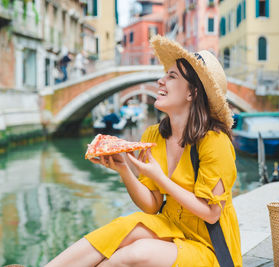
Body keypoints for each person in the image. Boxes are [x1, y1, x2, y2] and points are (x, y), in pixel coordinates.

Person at [45, 35, 242, 266]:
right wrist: (124, 170)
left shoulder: (214, 141)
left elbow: (211, 213)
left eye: (172, 76)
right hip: (172, 229)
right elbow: (153, 205)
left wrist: (158, 177)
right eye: (164, 73)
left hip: (211, 248)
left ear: (192, 93)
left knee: (137, 253)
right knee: (122, 227)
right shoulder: (153, 136)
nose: (160, 80)